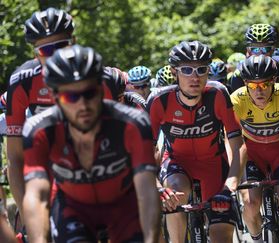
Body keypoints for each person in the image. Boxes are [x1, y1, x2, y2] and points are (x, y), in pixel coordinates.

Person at [22, 45, 160, 242]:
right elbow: (37, 196)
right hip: (72, 208)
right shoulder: (40, 129)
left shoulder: (132, 122)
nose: (83, 105)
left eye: (90, 94)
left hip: (124, 207)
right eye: (71, 96)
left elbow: (146, 190)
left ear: (101, 89)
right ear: (54, 97)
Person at [6, 8, 124, 219]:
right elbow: (15, 158)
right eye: (45, 51)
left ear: (74, 41)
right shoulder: (22, 82)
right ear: (35, 54)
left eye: (61, 46)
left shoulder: (101, 79)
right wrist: (27, 218)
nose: (54, 57)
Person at [145, 40, 247, 243]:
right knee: (175, 194)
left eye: (201, 70)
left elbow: (239, 145)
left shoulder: (218, 94)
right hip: (177, 164)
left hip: (213, 166)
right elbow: (143, 152)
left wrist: (230, 186)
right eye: (187, 70)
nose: (195, 77)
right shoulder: (159, 101)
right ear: (175, 73)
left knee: (221, 237)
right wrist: (157, 186)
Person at [231, 55, 279, 243]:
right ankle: (257, 239)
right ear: (245, 84)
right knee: (250, 204)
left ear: (274, 81)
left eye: (265, 85)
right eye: (252, 86)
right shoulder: (236, 100)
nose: (259, 91)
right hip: (252, 155)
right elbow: (230, 141)